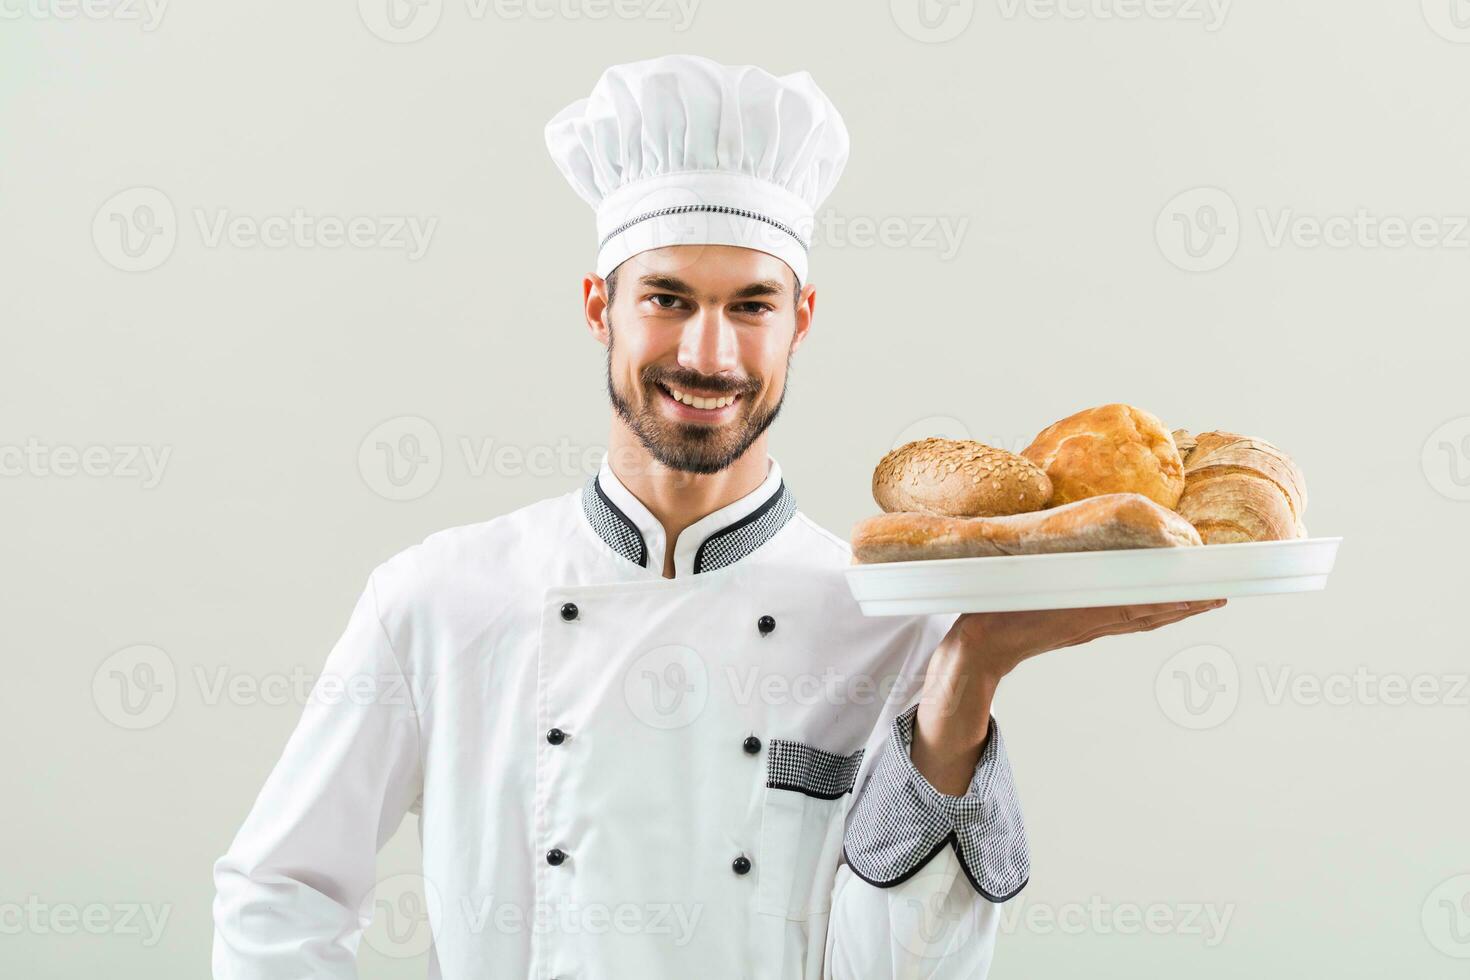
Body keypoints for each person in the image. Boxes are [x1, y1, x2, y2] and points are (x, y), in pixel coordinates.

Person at [211, 53, 1222, 979]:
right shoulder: (438, 597)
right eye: (666, 297)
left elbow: (907, 971)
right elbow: (276, 894)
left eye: (749, 304)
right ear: (599, 307)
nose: (708, 353)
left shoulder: (892, 614)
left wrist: (970, 671)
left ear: (801, 320)